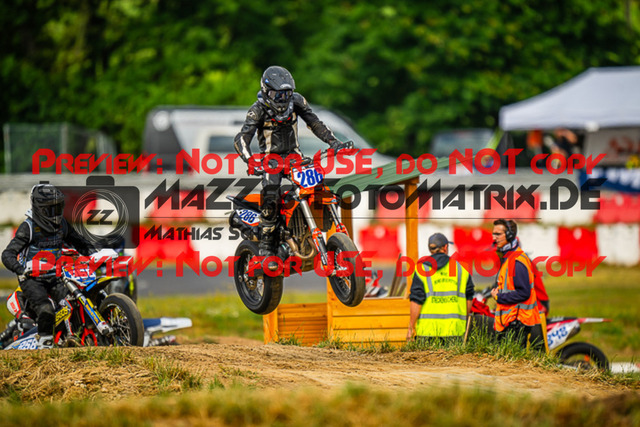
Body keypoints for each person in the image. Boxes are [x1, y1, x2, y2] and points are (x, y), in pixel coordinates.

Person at [234, 65, 347, 270]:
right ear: (266, 91)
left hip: (295, 157)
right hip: (271, 161)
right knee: (271, 195)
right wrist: (250, 160)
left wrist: (333, 142)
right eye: (278, 94)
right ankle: (267, 247)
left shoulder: (297, 101)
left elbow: (315, 123)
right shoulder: (257, 110)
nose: (283, 99)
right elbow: (241, 138)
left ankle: (312, 224)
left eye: (286, 93)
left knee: (319, 186)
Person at [1, 184, 95, 348]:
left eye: (58, 207)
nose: (56, 213)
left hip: (55, 277)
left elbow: (80, 242)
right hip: (32, 279)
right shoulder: (28, 227)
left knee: (73, 301)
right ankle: (44, 344)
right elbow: (7, 254)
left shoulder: (62, 225)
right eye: (52, 209)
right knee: (46, 309)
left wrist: (94, 255)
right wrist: (21, 270)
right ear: (41, 210)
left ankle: (74, 336)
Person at [407, 233, 475, 342]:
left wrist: (411, 328)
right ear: (445, 247)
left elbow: (416, 301)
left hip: (427, 331)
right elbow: (469, 299)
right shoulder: (461, 270)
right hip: (454, 331)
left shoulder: (421, 270)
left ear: (430, 249)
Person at [490, 219, 543, 349]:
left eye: (498, 234)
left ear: (509, 235)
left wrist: (499, 297)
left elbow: (523, 293)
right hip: (512, 322)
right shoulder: (510, 257)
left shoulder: (516, 261)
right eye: (493, 234)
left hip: (517, 323)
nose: (494, 238)